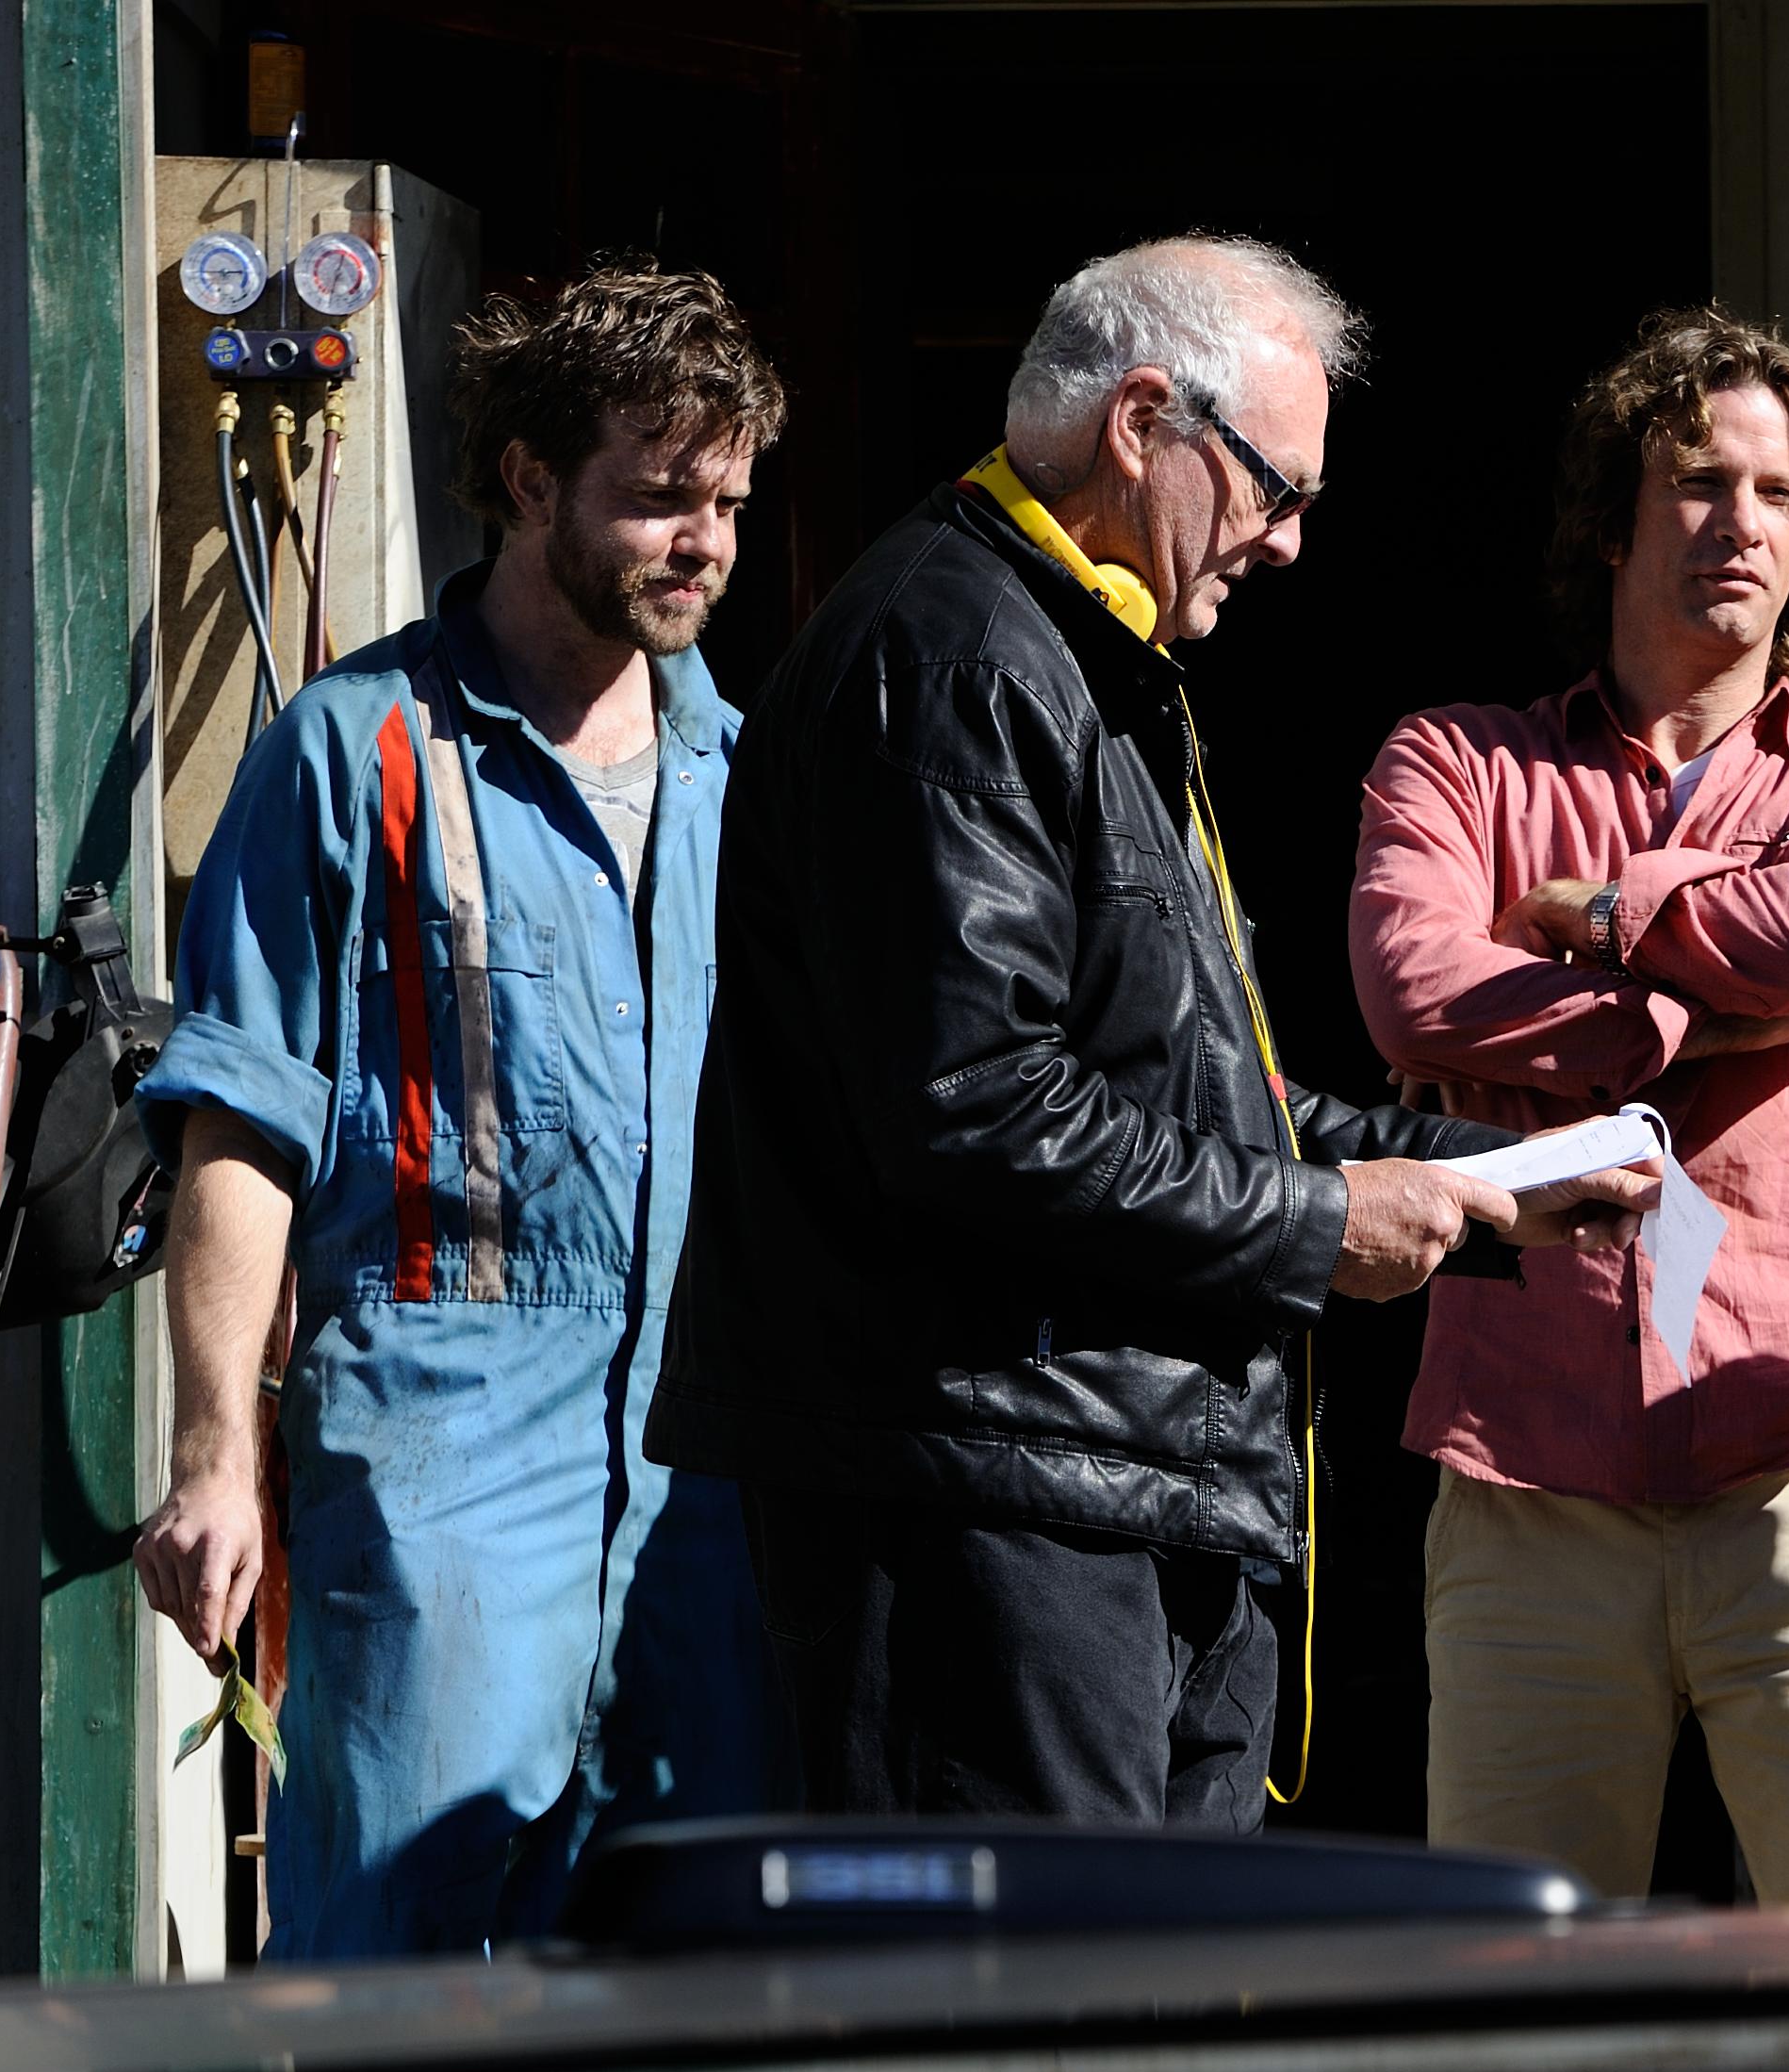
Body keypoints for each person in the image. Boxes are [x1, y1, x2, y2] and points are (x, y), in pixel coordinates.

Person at [649, 237, 1646, 1831]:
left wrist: (1484, 1175)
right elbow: (975, 1112)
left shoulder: (1080, 658)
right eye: (1275, 485)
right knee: (1039, 2036)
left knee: (1153, 2033)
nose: (1295, 542)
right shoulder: (953, 652)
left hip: (1103, 1498)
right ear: (1141, 423)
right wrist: (1323, 1224)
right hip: (991, 1500)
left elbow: (1194, 1096)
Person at [130, 264, 788, 1954]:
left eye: (723, 500)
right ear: (526, 480)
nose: (701, 540)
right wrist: (216, 1456)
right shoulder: (357, 752)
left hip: (709, 1474)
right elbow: (242, 1122)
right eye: (656, 496)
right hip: (440, 1455)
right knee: (389, 1964)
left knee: (679, 1971)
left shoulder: (749, 774)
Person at [1350, 306, 1789, 1911]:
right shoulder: (1455, 765)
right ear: (1614, 515)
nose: (1740, 523)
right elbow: (1417, 993)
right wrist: (1722, 998)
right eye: (1700, 480)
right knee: (1518, 2027)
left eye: (1777, 493)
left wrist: (1621, 913)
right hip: (1527, 1490)